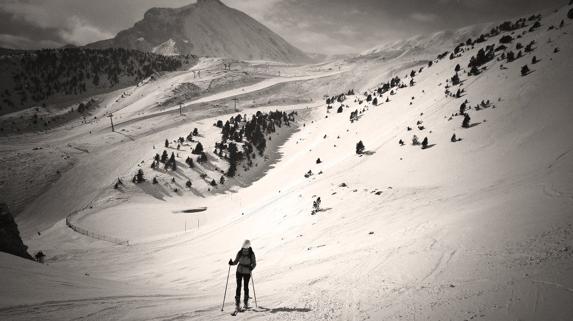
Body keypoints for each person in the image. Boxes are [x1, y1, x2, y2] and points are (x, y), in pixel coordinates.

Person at [229, 240, 256, 311]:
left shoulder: (244, 252)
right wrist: (251, 267)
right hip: (244, 271)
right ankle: (244, 302)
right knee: (243, 286)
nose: (245, 248)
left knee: (240, 286)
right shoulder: (249, 253)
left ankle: (240, 303)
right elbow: (254, 263)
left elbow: (236, 261)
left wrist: (232, 263)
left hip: (241, 271)